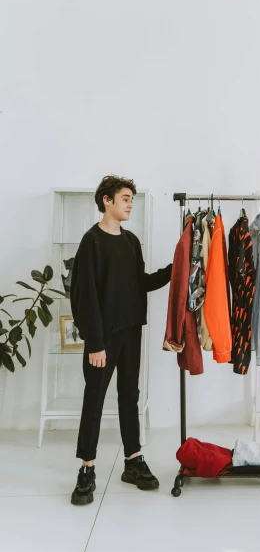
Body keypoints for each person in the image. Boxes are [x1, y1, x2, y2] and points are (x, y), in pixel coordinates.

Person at [69, 176, 172, 506]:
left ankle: (133, 461)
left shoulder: (131, 242)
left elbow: (139, 283)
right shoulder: (92, 242)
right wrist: (95, 342)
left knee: (130, 396)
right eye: (125, 198)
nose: (130, 204)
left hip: (131, 331)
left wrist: (175, 270)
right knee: (94, 398)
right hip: (103, 337)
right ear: (106, 201)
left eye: (132, 199)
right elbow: (84, 296)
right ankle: (87, 469)